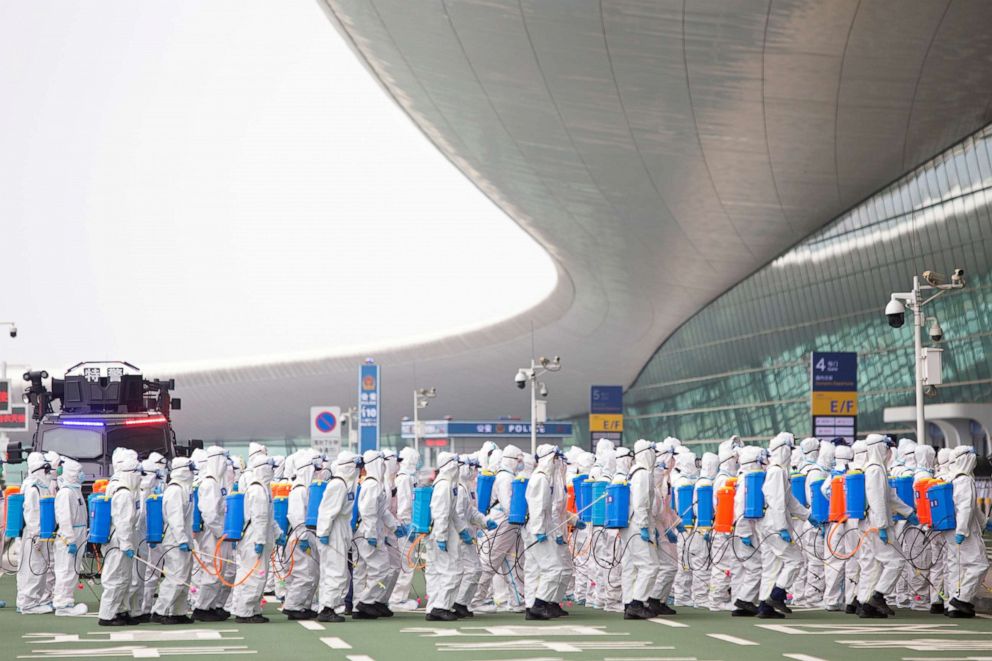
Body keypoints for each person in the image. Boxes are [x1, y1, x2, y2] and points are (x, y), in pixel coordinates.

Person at [858, 434, 913, 618]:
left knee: (875, 565)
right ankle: (879, 596)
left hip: (875, 522)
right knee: (896, 561)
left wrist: (908, 512)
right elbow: (877, 500)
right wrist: (882, 526)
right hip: (877, 523)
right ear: (879, 448)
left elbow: (889, 496)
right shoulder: (875, 470)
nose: (889, 451)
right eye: (886, 447)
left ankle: (866, 605)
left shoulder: (877, 468)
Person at [758, 433, 809, 618]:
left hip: (771, 523)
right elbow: (778, 502)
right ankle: (777, 594)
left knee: (772, 567)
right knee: (796, 560)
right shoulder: (777, 471)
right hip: (774, 524)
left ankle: (765, 605)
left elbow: (789, 500)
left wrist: (807, 515)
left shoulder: (779, 471)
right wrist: (782, 528)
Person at [472, 444, 525, 613]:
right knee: (490, 561)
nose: (521, 463)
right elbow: (507, 504)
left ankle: (517, 601)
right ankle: (475, 600)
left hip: (508, 524)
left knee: (512, 562)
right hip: (502, 522)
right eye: (519, 460)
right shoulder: (505, 478)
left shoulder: (508, 475)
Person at [353, 450, 402, 619]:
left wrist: (396, 526)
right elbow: (368, 512)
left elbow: (383, 511)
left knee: (373, 569)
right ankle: (365, 602)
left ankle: (364, 604)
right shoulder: (372, 485)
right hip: (368, 535)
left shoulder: (375, 484)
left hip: (371, 533)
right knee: (380, 569)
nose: (383, 466)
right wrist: (371, 533)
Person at [316, 451, 362, 623]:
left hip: (340, 530)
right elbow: (326, 512)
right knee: (336, 572)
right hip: (333, 531)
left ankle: (329, 605)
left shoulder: (346, 485)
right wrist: (324, 533)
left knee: (337, 571)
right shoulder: (338, 485)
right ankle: (327, 608)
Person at [230, 451, 276, 623]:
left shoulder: (264, 488)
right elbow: (259, 518)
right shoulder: (257, 490)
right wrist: (260, 540)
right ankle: (245, 612)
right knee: (254, 576)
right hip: (254, 538)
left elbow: (269, 518)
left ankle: (253, 609)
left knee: (257, 575)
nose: (272, 471)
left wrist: (276, 534)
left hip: (258, 536)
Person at [523, 444, 567, 620]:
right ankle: (539, 604)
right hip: (538, 529)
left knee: (533, 570)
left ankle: (531, 606)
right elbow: (537, 507)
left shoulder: (543, 478)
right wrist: (539, 530)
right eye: (555, 458)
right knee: (554, 567)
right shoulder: (541, 479)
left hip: (537, 528)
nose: (557, 462)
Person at [945, 445, 990, 617]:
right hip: (964, 530)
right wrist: (962, 531)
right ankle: (962, 599)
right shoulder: (964, 480)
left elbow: (972, 508)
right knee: (979, 565)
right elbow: (965, 508)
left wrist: (984, 522)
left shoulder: (953, 477)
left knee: (959, 567)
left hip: (953, 529)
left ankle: (954, 607)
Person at [98, 452, 142, 626]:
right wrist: (127, 544)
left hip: (121, 538)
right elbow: (123, 522)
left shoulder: (119, 487)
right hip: (119, 541)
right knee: (115, 577)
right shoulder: (123, 493)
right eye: (137, 473)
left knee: (124, 578)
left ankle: (121, 610)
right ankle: (107, 615)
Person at [151, 457, 196, 624]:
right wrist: (182, 539)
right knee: (175, 577)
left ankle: (179, 611)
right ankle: (160, 610)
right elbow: (175, 518)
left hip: (184, 538)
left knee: (184, 577)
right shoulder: (175, 490)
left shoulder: (185, 488)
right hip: (175, 540)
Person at [620, 439, 660, 619]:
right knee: (650, 565)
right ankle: (637, 603)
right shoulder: (643, 473)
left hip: (631, 526)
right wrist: (645, 526)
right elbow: (641, 502)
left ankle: (630, 602)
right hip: (638, 525)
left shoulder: (633, 472)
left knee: (632, 566)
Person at [191, 446, 231, 622]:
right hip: (211, 533)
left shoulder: (216, 482)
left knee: (219, 569)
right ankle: (202, 607)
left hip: (217, 532)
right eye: (222, 460)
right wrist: (221, 532)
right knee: (213, 570)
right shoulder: (209, 483)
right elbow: (210, 514)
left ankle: (212, 605)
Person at [424, 452, 465, 621]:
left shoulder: (447, 484)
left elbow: (452, 512)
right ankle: (441, 607)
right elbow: (441, 513)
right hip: (442, 532)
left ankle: (434, 606)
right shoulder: (444, 486)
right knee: (452, 570)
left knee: (436, 572)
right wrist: (441, 537)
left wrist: (462, 530)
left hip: (440, 531)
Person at [454, 456, 495, 617]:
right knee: (471, 570)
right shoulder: (458, 488)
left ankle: (462, 602)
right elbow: (457, 514)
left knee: (473, 570)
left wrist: (484, 521)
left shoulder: (467, 487)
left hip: (468, 535)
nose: (475, 471)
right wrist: (463, 532)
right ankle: (458, 602)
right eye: (473, 468)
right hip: (460, 537)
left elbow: (471, 511)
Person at [282, 449, 320, 620]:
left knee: (310, 573)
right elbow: (295, 516)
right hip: (299, 538)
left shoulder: (306, 488)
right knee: (303, 574)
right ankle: (293, 606)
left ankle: (303, 605)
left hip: (304, 535)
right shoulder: (299, 490)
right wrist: (303, 538)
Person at [133, 453, 166, 622]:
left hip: (155, 536)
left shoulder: (156, 489)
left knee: (152, 572)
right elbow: (140, 519)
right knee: (146, 573)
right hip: (146, 538)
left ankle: (146, 605)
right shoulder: (141, 492)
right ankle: (143, 607)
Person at [731, 446, 764, 617]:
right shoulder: (747, 480)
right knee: (756, 566)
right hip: (744, 528)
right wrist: (745, 532)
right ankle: (745, 599)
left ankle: (741, 603)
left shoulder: (743, 477)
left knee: (743, 567)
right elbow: (740, 506)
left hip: (741, 528)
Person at [52, 459, 88, 617]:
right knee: (65, 570)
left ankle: (65, 600)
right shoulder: (66, 493)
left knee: (71, 571)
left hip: (77, 534)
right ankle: (62, 604)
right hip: (70, 537)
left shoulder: (74, 491)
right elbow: (64, 519)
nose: (82, 474)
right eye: (79, 471)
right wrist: (70, 540)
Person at [648, 438, 678, 615]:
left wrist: (676, 524)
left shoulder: (664, 478)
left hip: (663, 527)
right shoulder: (655, 476)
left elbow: (666, 508)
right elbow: (653, 507)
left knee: (670, 565)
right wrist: (658, 531)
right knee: (667, 566)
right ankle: (653, 599)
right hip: (656, 528)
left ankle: (659, 599)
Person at [912, 444, 944, 614]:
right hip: (929, 524)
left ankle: (934, 598)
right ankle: (925, 598)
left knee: (933, 562)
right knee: (930, 562)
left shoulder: (920, 475)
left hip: (924, 524)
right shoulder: (924, 477)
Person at [390, 446, 420, 611]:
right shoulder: (404, 479)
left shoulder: (407, 477)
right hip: (405, 526)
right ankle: (397, 599)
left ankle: (398, 596)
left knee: (405, 562)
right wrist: (408, 524)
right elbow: (404, 505)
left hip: (407, 525)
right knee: (406, 562)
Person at [709, 443, 738, 612]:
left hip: (727, 526)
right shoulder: (723, 479)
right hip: (723, 527)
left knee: (726, 564)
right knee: (722, 564)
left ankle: (722, 597)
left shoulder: (726, 476)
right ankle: (716, 599)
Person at [671, 450, 698, 607]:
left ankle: (684, 593)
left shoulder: (688, 480)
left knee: (688, 559)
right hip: (684, 526)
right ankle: (681, 594)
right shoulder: (682, 482)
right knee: (684, 561)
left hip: (688, 525)